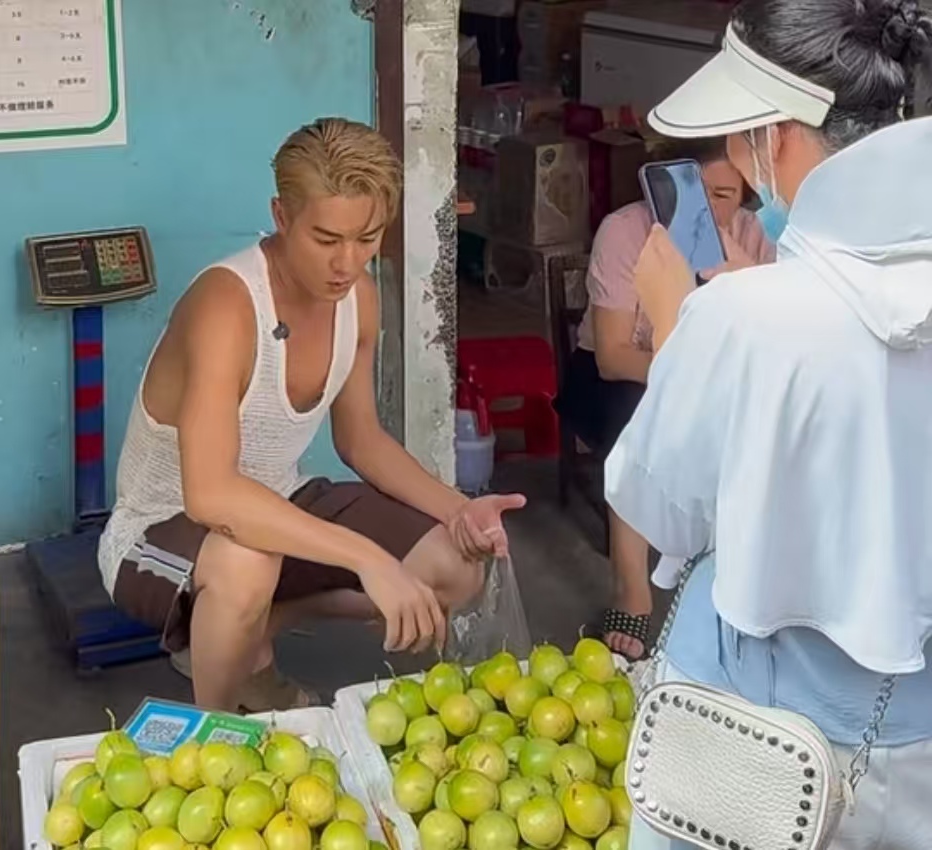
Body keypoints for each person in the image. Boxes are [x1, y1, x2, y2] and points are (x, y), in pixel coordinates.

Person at [604, 0, 932, 846]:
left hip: (748, 739)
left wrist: (678, 329)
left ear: (776, 134)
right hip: (912, 742)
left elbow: (667, 512)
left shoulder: (744, 317)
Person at [97, 118, 526, 712]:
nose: (346, 263)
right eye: (326, 240)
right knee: (245, 561)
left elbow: (361, 439)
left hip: (282, 499)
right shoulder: (226, 305)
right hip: (161, 529)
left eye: (367, 238)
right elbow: (211, 496)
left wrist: (459, 511)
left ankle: (251, 637)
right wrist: (367, 558)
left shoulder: (358, 299)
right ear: (281, 216)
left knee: (456, 565)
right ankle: (216, 728)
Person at [560, 139, 774, 661]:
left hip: (711, 377)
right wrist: (687, 375)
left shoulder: (752, 237)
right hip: (620, 377)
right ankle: (631, 589)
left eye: (723, 195)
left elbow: (765, 341)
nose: (706, 208)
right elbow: (613, 357)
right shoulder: (625, 231)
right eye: (692, 191)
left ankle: (737, 576)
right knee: (637, 413)